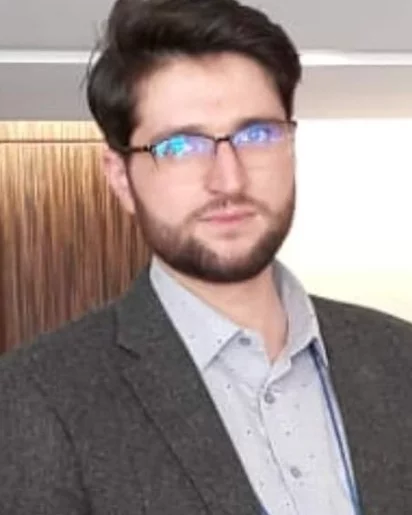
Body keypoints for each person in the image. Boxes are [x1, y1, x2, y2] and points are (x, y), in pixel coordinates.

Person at [1, 0, 411, 513]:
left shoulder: (399, 357)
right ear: (121, 178)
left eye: (257, 135)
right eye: (180, 146)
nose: (229, 179)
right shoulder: (38, 398)